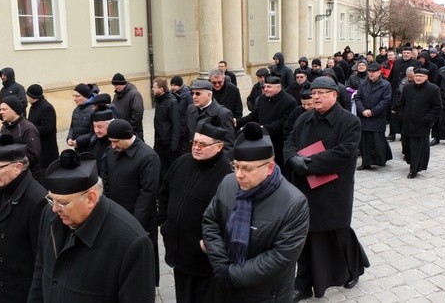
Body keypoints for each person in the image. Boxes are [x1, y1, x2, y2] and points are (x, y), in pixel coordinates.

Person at [28, 150, 155, 302]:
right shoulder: (50, 215)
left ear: (90, 198)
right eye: (51, 199)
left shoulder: (131, 242)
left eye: (62, 202)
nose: (54, 208)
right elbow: (40, 272)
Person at [283, 76, 370, 300]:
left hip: (333, 190)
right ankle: (302, 284)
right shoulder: (303, 118)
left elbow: (343, 153)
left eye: (322, 92)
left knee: (338, 233)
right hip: (304, 187)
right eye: (313, 93)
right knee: (305, 235)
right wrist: (292, 159)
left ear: (334, 95)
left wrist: (308, 164)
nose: (316, 96)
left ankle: (353, 268)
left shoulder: (349, 122)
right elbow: (290, 142)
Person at [202, 122, 309, 302]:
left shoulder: (294, 203)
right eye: (235, 166)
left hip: (267, 294)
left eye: (247, 168)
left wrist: (232, 274)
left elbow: (280, 256)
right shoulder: (228, 183)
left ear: (269, 168)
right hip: (225, 285)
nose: (238, 175)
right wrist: (222, 266)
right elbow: (210, 221)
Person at [158, 117, 232, 303]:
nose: (196, 147)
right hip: (178, 253)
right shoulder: (182, 162)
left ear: (219, 146)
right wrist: (164, 222)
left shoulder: (227, 177)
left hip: (204, 261)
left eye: (203, 144)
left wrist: (209, 243)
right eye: (195, 142)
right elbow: (164, 193)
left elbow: (229, 219)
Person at [0, 134, 47, 302]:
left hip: (19, 291)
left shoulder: (37, 200)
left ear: (18, 167)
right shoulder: (0, 187)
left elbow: (41, 259)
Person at [104, 119, 161, 284]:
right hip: (116, 213)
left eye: (116, 141)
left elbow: (147, 194)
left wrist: (134, 223)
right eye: (111, 142)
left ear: (127, 137)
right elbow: (106, 179)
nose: (113, 146)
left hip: (139, 219)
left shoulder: (148, 157)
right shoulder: (112, 150)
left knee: (142, 258)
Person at [237, 76, 297, 173]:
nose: (265, 89)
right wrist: (239, 122)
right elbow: (254, 115)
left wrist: (262, 129)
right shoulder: (261, 99)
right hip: (262, 141)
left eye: (269, 87)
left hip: (278, 144)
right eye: (264, 87)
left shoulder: (290, 102)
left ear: (278, 87)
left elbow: (282, 123)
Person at [397, 68, 442, 178]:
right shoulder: (407, 88)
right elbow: (400, 103)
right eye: (416, 75)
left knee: (417, 148)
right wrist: (402, 115)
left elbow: (437, 108)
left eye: (420, 76)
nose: (418, 78)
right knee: (407, 146)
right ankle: (411, 163)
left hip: (422, 124)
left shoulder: (433, 89)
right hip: (407, 124)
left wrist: (426, 119)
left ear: (426, 77)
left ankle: (415, 169)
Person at [354, 63, 392, 170]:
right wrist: (362, 110)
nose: (371, 74)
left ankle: (382, 158)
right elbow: (358, 98)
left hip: (377, 117)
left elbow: (386, 101)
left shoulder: (385, 85)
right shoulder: (363, 83)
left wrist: (372, 111)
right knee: (364, 141)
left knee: (377, 140)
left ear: (379, 72)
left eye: (373, 72)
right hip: (364, 116)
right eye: (369, 72)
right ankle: (366, 162)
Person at [186, 80, 235, 159]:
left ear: (209, 95)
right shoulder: (190, 109)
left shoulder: (223, 113)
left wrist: (221, 166)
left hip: (213, 160)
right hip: (194, 157)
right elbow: (188, 135)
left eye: (198, 93)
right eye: (192, 93)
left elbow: (228, 145)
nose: (194, 97)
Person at [0, 95, 42, 181]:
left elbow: (34, 156)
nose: (1, 112)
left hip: (28, 177)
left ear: (15, 110)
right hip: (11, 176)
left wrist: (11, 159)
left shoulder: (28, 128)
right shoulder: (4, 127)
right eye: (0, 109)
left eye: (4, 109)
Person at [388, 44, 421, 141]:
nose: (406, 54)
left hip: (408, 91)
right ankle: (392, 133)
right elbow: (392, 75)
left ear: (411, 53)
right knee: (393, 113)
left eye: (408, 53)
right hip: (395, 91)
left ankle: (403, 134)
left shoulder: (416, 63)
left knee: (404, 112)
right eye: (404, 53)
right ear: (401, 53)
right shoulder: (397, 62)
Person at [26, 84, 59, 181]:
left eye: (27, 94)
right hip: (37, 147)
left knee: (46, 178)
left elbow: (48, 128)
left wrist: (30, 129)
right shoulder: (33, 107)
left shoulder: (47, 108)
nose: (26, 96)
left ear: (33, 97)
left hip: (46, 150)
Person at [152, 77, 181, 177]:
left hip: (168, 144)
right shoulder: (158, 101)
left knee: (170, 171)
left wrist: (174, 145)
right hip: (159, 143)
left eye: (154, 87)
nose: (152, 89)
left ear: (161, 89)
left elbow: (176, 125)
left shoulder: (171, 102)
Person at [76, 107, 114, 175]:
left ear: (110, 125)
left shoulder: (115, 143)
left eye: (100, 127)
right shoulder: (94, 140)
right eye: (94, 126)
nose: (96, 131)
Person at [111, 73, 145, 140]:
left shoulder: (134, 94)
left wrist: (129, 127)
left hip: (133, 132)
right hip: (120, 131)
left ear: (122, 84)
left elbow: (137, 113)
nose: (114, 87)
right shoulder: (116, 95)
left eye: (116, 85)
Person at [67, 83, 94, 152]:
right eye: (74, 96)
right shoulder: (76, 110)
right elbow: (72, 127)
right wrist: (69, 138)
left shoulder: (94, 110)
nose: (74, 99)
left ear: (86, 96)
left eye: (77, 96)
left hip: (90, 149)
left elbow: (94, 133)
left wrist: (78, 141)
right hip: (78, 148)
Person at [170, 75, 193, 147]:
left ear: (179, 85)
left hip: (185, 128)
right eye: (171, 85)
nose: (172, 87)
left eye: (174, 85)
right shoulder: (173, 94)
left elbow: (191, 112)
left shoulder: (188, 95)